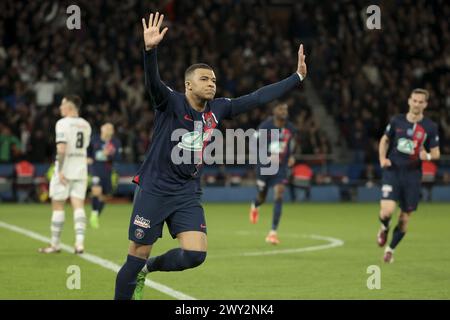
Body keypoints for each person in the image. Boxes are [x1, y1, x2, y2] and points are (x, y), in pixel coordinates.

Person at [114, 12, 307, 300]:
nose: (211, 83)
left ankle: (149, 269)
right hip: (154, 188)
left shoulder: (218, 109)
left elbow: (256, 98)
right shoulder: (169, 101)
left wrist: (297, 77)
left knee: (195, 254)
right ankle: (135, 275)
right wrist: (150, 52)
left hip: (186, 191)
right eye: (204, 78)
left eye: (214, 79)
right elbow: (152, 83)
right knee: (136, 254)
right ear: (188, 85)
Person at [377, 88, 440, 263]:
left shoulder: (430, 127)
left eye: (421, 102)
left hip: (412, 176)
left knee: (404, 219)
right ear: (409, 101)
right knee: (387, 211)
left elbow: (436, 153)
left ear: (425, 105)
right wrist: (382, 159)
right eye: (415, 100)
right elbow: (385, 140)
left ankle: (390, 250)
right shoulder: (396, 121)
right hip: (393, 171)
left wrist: (426, 156)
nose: (417, 104)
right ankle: (384, 228)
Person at [39, 95, 92, 254]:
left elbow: (61, 148)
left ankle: (55, 244)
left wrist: (60, 170)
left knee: (58, 206)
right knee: (79, 206)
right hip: (81, 169)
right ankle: (80, 244)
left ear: (69, 107)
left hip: (65, 169)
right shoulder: (86, 125)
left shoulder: (62, 123)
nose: (60, 108)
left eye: (62, 105)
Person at [249, 101, 297, 245]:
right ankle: (255, 205)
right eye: (281, 109)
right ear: (274, 111)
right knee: (262, 196)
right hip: (264, 168)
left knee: (279, 193)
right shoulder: (265, 126)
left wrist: (292, 156)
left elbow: (291, 144)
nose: (284, 111)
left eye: (285, 109)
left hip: (280, 168)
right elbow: (253, 144)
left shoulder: (291, 128)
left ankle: (273, 232)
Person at [88, 123, 122, 229]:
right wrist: (87, 158)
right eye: (107, 127)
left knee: (104, 196)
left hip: (108, 171)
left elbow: (118, 157)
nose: (109, 130)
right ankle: (94, 213)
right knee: (96, 190)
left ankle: (95, 216)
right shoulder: (94, 139)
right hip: (95, 168)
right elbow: (88, 151)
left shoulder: (115, 142)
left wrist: (110, 154)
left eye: (111, 128)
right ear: (101, 128)